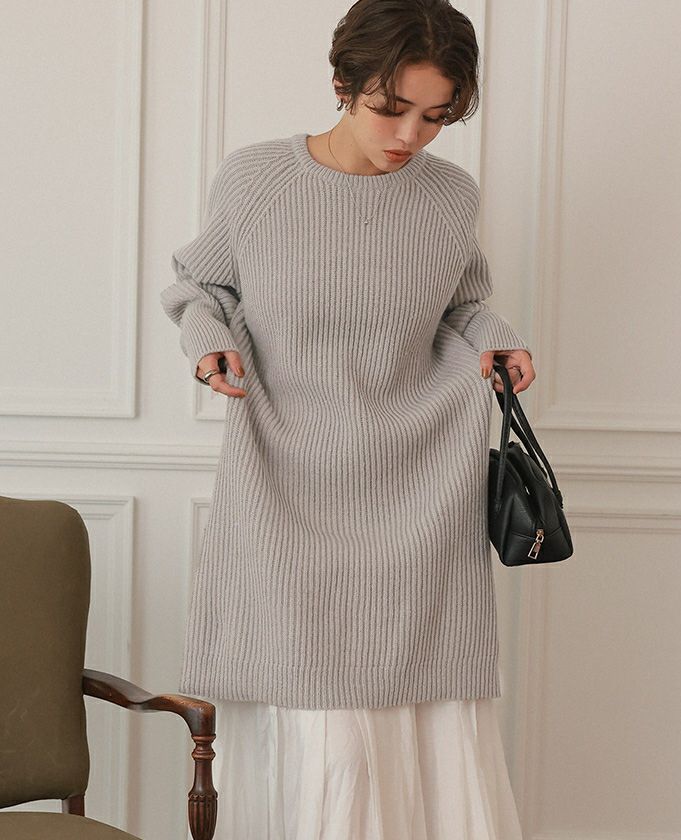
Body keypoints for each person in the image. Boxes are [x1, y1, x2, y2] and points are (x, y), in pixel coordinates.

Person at [160, 0, 536, 836]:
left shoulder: (449, 196)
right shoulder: (258, 179)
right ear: (343, 84)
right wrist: (208, 342)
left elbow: (464, 304)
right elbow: (200, 286)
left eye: (435, 116)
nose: (410, 135)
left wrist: (498, 338)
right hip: (287, 476)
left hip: (420, 479)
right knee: (325, 730)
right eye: (390, 108)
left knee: (426, 716)